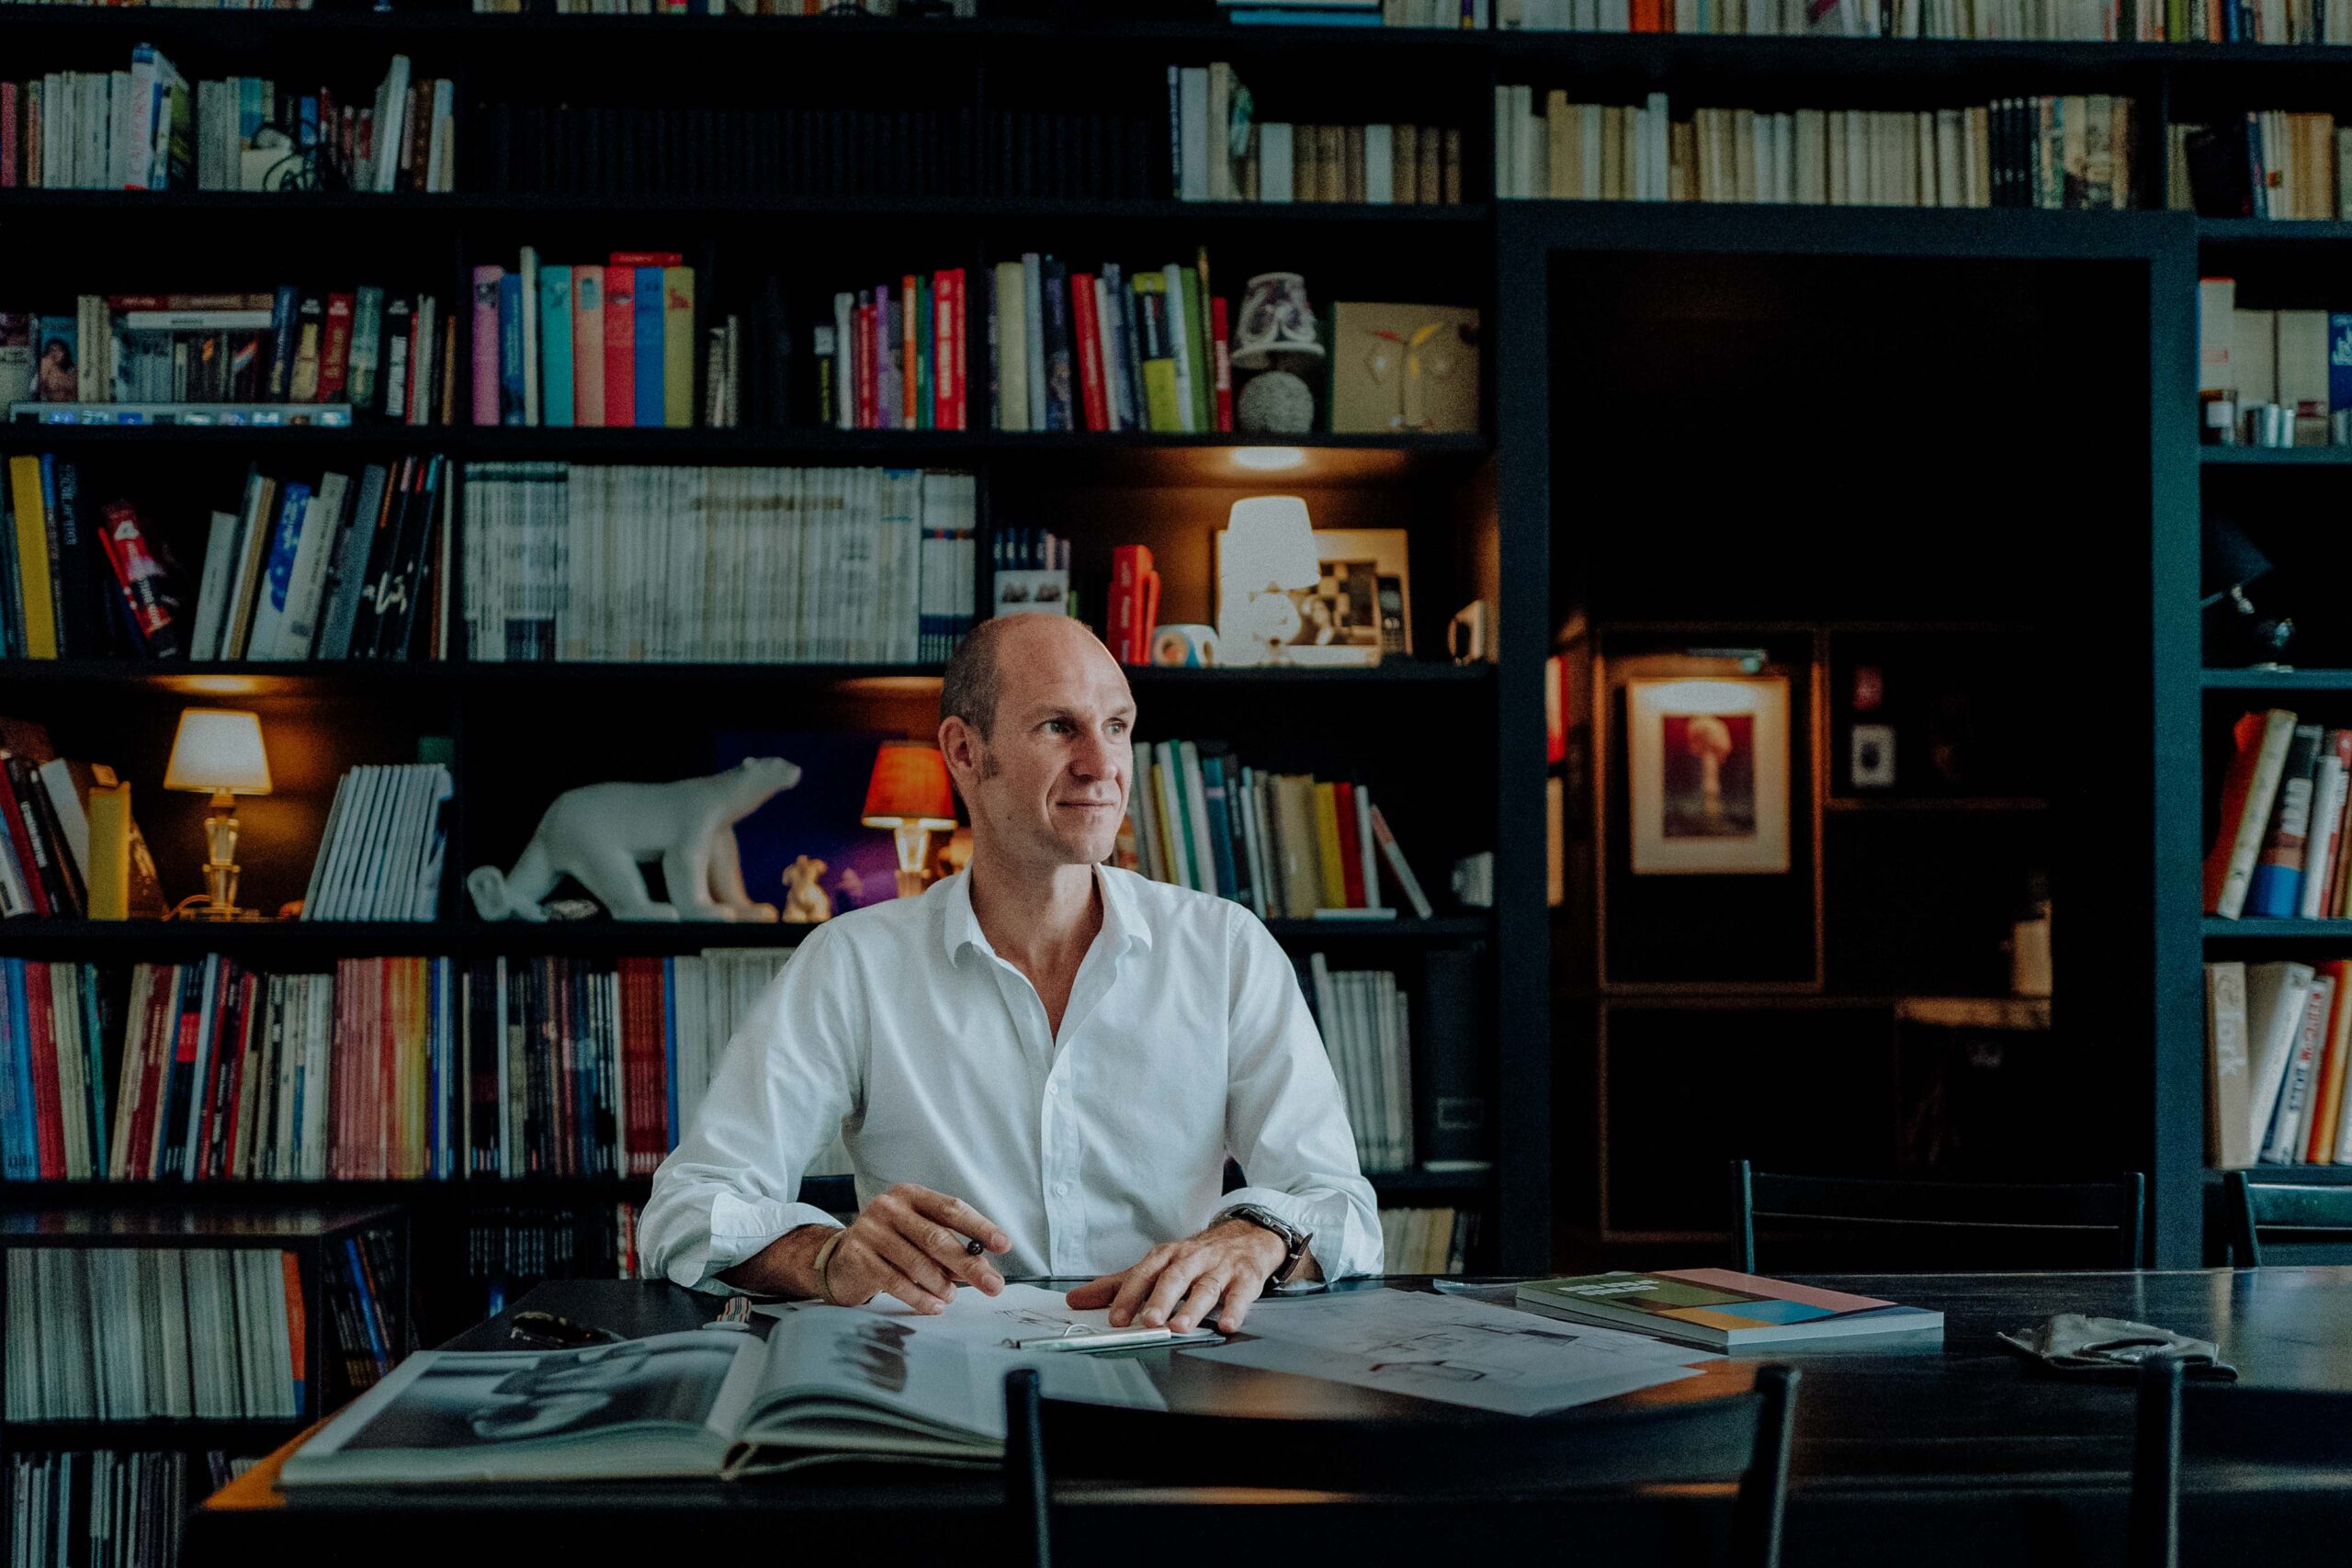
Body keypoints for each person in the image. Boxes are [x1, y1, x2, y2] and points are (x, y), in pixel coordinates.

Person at [639, 614, 1380, 1336]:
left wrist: (1257, 1238)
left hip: (1171, 1374)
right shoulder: (853, 963)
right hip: (935, 1395)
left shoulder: (1226, 949)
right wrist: (828, 1256)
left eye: (1117, 725)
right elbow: (684, 1210)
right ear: (964, 751)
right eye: (1059, 726)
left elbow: (1340, 1206)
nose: (1103, 764)